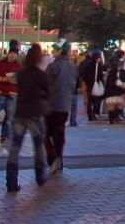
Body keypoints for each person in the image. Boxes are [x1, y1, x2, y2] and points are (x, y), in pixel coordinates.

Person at [6, 44, 49, 192]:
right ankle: (40, 176)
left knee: (15, 147)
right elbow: (48, 93)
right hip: (35, 113)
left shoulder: (21, 74)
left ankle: (11, 181)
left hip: (20, 112)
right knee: (38, 147)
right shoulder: (41, 75)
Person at [44, 40, 77, 173]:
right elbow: (75, 85)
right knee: (60, 133)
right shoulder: (73, 66)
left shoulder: (53, 66)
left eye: (55, 50)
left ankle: (52, 158)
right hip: (65, 105)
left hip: (51, 105)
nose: (53, 52)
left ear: (60, 51)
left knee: (47, 134)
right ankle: (59, 159)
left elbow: (44, 84)